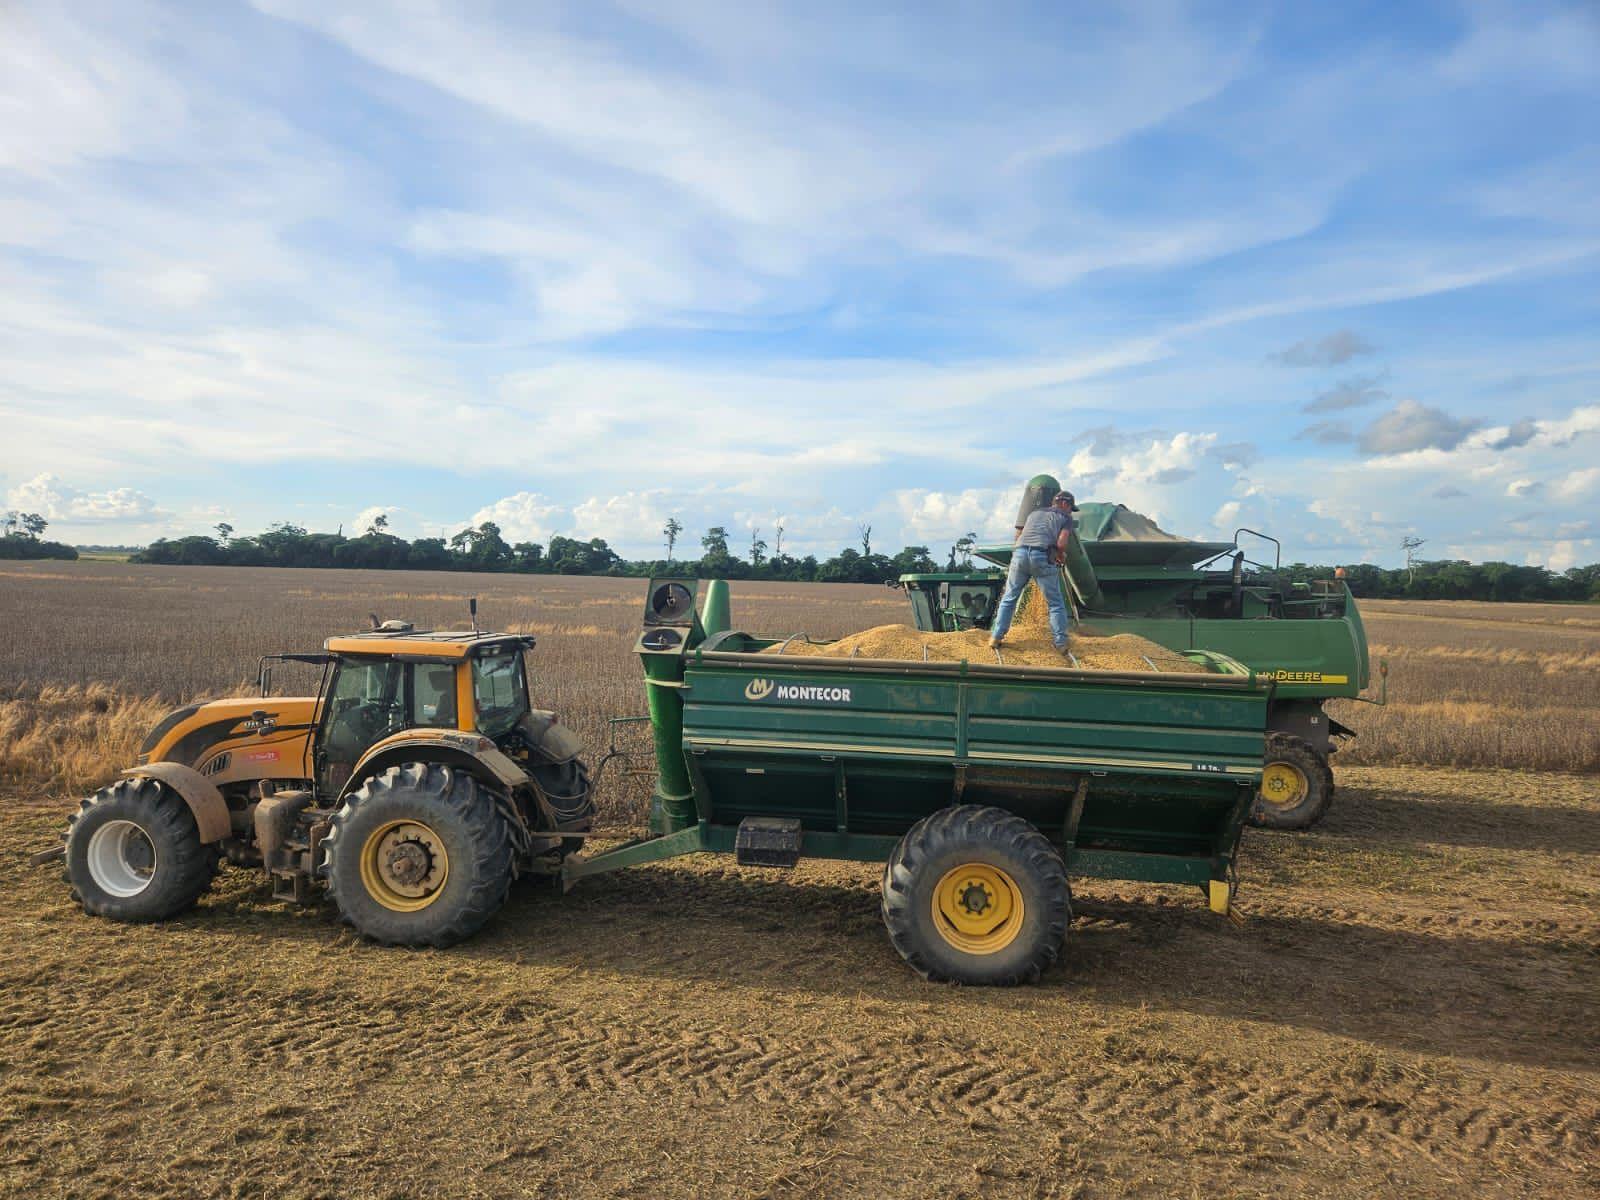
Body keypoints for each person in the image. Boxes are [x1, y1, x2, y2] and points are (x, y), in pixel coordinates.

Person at [990, 489, 1076, 652]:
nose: (1071, 511)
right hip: (1041, 555)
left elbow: (1020, 535)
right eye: (1071, 507)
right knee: (1055, 603)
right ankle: (1060, 643)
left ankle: (996, 637)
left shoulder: (1034, 513)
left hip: (1019, 554)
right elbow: (1062, 543)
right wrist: (1060, 555)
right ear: (1065, 504)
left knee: (1009, 598)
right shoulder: (1065, 518)